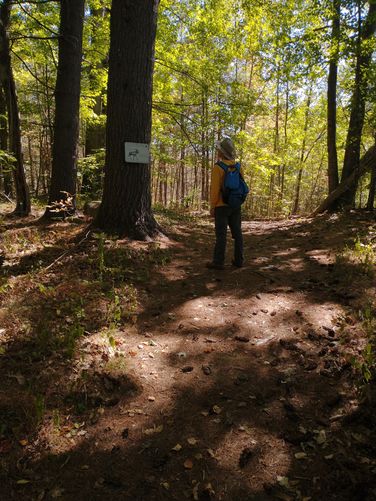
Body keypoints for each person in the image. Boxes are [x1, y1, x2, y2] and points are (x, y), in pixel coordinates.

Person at [206, 137, 244, 270]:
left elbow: (215, 189)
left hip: (221, 206)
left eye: (219, 150)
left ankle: (218, 262)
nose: (217, 151)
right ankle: (239, 260)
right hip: (235, 205)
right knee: (237, 233)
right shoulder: (237, 166)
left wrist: (212, 206)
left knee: (221, 235)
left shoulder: (218, 167)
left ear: (222, 153)